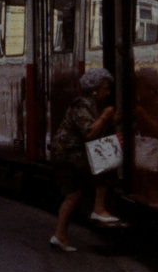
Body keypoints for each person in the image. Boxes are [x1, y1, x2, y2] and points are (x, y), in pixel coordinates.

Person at [49, 67, 121, 251]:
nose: (108, 92)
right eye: (105, 88)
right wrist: (105, 117)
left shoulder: (92, 105)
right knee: (105, 165)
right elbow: (89, 132)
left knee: (72, 196)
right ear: (95, 89)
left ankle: (60, 236)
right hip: (69, 154)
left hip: (66, 155)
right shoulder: (82, 104)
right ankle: (98, 210)